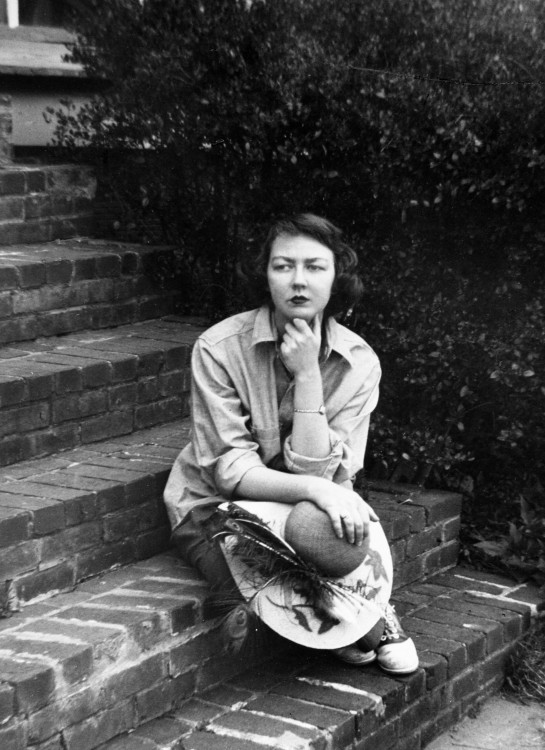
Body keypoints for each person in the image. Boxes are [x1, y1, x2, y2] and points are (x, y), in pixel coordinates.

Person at [163, 213, 418, 675]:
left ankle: (365, 609)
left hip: (305, 511)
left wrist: (307, 376)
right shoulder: (219, 348)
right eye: (283, 266)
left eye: (315, 267)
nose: (298, 281)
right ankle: (362, 620)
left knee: (328, 544)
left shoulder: (358, 363)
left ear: (337, 276)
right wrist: (318, 491)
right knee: (268, 590)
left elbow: (323, 477)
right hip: (215, 505)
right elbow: (231, 472)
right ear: (265, 273)